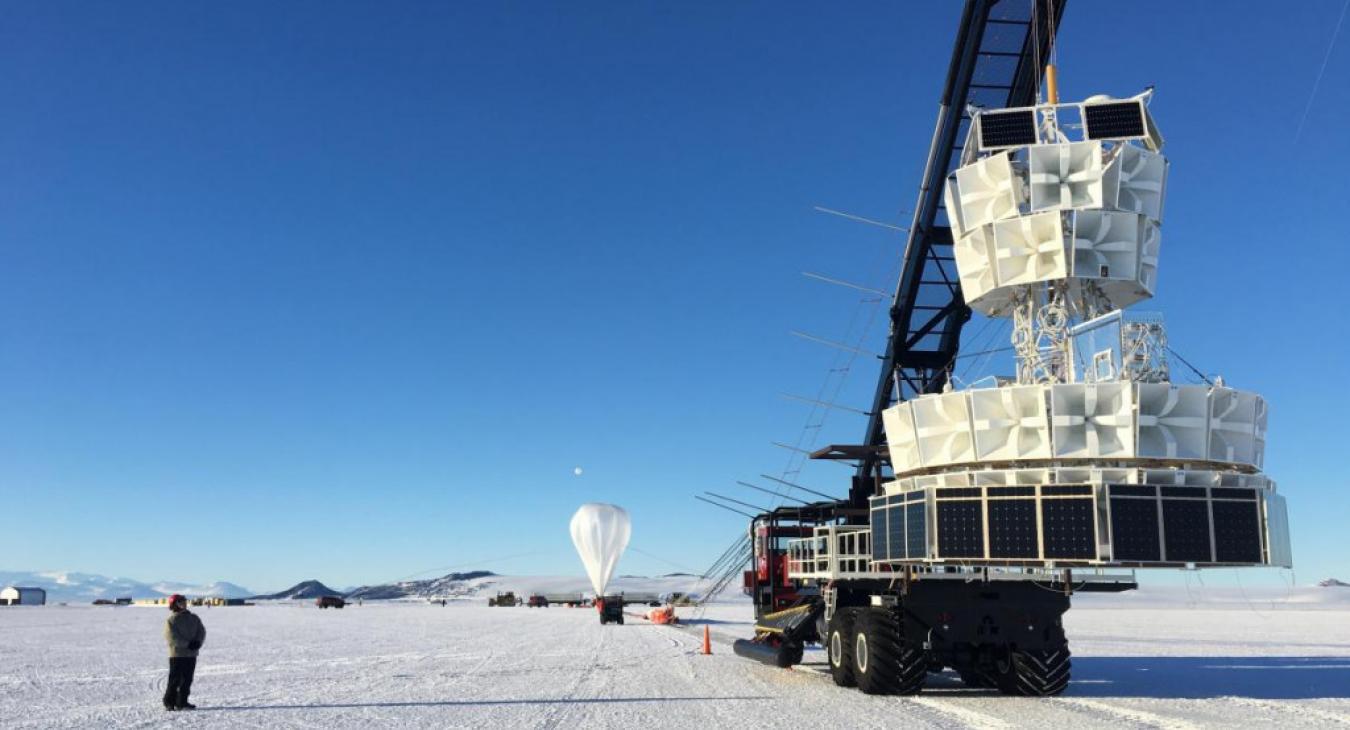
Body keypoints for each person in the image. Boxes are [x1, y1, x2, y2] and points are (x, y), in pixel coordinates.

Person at [162, 594, 206, 711]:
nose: (184, 604)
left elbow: (201, 631)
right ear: (174, 604)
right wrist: (187, 644)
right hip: (177, 654)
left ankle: (182, 701)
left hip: (191, 654)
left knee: (187, 679)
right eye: (180, 602)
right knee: (175, 679)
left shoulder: (194, 618)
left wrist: (198, 642)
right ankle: (169, 702)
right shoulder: (171, 620)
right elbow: (171, 637)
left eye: (184, 601)